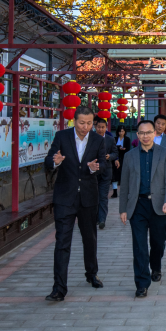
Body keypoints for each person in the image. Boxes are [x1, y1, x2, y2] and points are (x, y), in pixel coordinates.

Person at [44, 106, 108, 301]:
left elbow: (103, 165)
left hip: (88, 197)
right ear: (74, 121)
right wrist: (55, 161)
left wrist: (95, 168)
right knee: (62, 241)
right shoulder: (62, 137)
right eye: (82, 123)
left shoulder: (98, 139)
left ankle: (91, 273)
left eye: (89, 123)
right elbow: (48, 161)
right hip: (65, 197)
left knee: (90, 239)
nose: (85, 127)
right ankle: (59, 288)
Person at [119, 119, 166, 298]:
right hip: (138, 205)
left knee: (158, 242)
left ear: (155, 133)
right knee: (139, 246)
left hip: (159, 205)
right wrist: (123, 209)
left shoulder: (164, 153)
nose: (145, 136)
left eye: (149, 132)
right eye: (142, 133)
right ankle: (142, 283)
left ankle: (156, 266)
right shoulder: (130, 156)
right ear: (137, 135)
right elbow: (125, 184)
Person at [94, 117, 118, 229]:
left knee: (103, 196)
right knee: (94, 196)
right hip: (93, 172)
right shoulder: (91, 138)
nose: (100, 129)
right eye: (98, 127)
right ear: (95, 127)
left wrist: (110, 156)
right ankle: (95, 218)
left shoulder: (110, 139)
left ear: (106, 128)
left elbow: (115, 153)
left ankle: (102, 219)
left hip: (106, 171)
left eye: (103, 127)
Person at [111, 125, 131, 198]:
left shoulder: (127, 139)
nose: (121, 133)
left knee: (124, 175)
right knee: (115, 176)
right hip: (116, 159)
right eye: (120, 131)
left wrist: (121, 149)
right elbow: (113, 148)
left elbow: (128, 149)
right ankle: (115, 192)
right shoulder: (114, 139)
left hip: (124, 158)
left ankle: (124, 192)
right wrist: (118, 148)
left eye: (122, 131)